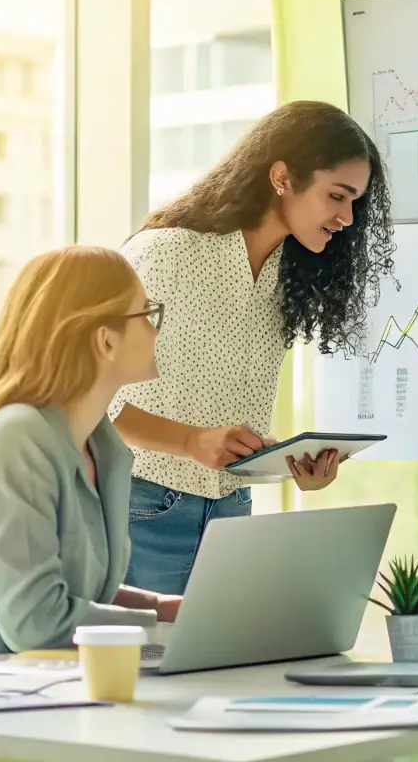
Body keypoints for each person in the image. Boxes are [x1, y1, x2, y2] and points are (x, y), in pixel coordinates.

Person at [112, 100, 394, 595]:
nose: (348, 218)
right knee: (154, 669)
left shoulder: (291, 276)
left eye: (355, 202)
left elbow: (222, 417)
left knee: (230, 669)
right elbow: (88, 400)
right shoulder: (167, 253)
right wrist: (191, 442)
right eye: (337, 196)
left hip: (232, 508)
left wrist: (286, 462)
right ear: (283, 176)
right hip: (146, 508)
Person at [0, 246, 180, 659]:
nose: (156, 330)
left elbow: (70, 586)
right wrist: (158, 629)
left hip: (15, 692)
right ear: (106, 340)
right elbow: (36, 623)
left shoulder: (101, 446)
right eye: (146, 314)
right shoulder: (16, 440)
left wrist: (166, 608)